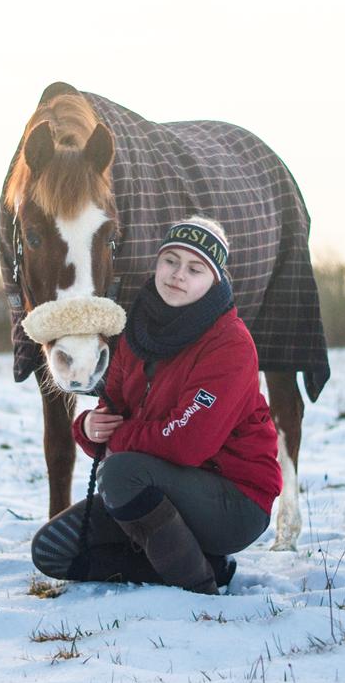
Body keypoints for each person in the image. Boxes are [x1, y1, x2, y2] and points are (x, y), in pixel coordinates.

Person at [31, 216, 281, 594]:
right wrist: (87, 428)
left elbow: (188, 442)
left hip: (235, 501)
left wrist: (117, 439)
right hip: (158, 486)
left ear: (214, 279)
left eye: (195, 268)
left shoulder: (230, 343)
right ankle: (204, 563)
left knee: (119, 473)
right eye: (171, 261)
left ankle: (199, 586)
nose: (179, 274)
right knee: (52, 551)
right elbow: (111, 409)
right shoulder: (137, 331)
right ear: (157, 263)